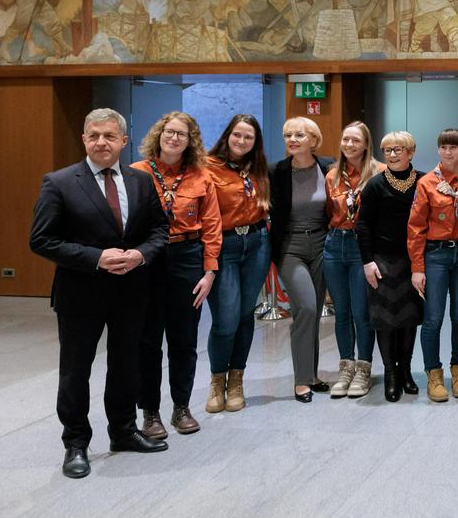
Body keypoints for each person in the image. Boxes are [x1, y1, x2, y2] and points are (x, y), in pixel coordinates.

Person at [29, 108, 170, 478]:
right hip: (80, 293)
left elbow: (160, 231)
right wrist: (95, 258)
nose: (101, 142)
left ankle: (123, 431)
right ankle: (76, 443)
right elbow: (41, 240)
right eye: (94, 136)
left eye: (109, 136)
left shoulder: (141, 182)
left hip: (131, 291)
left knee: (126, 366)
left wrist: (140, 254)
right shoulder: (59, 182)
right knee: (76, 371)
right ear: (84, 139)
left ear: (123, 140)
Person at [130, 112, 222, 440]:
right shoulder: (137, 173)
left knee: (184, 341)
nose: (174, 138)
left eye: (182, 134)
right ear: (159, 134)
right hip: (148, 259)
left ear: (190, 141)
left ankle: (181, 407)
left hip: (187, 257)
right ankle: (150, 412)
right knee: (147, 341)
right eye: (169, 132)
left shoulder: (201, 176)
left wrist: (209, 271)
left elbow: (212, 226)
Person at [204, 114, 270, 413]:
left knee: (245, 314)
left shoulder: (258, 168)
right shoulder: (208, 166)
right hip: (225, 246)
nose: (242, 141)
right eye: (237, 135)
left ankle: (236, 381)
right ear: (227, 135)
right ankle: (217, 380)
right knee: (226, 318)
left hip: (257, 243)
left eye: (248, 137)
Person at [407, 128, 458, 402]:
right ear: (438, 150)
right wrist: (417, 267)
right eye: (444, 147)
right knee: (433, 317)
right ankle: (434, 375)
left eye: (454, 147)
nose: (448, 152)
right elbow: (415, 227)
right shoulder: (427, 183)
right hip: (435, 255)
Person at [270, 117, 333, 402]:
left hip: (321, 244)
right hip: (290, 246)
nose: (292, 140)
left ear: (313, 140)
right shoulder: (277, 171)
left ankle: (312, 374)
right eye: (287, 135)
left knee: (315, 310)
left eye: (299, 135)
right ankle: (301, 380)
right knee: (305, 307)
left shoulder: (328, 166)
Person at [358, 131, 424, 401]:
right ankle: (390, 373)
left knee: (409, 318)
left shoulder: (423, 181)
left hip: (414, 260)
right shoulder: (374, 185)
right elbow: (363, 225)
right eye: (387, 150)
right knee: (385, 320)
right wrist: (367, 261)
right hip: (382, 260)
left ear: (411, 152)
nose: (393, 154)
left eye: (398, 149)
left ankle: (406, 370)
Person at [324, 121, 385, 398]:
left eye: (355, 140)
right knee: (342, 311)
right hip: (335, 243)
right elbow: (328, 212)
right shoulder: (332, 175)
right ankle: (345, 366)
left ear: (366, 144)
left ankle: (363, 367)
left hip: (363, 245)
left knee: (362, 311)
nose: (349, 145)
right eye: (345, 139)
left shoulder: (379, 172)